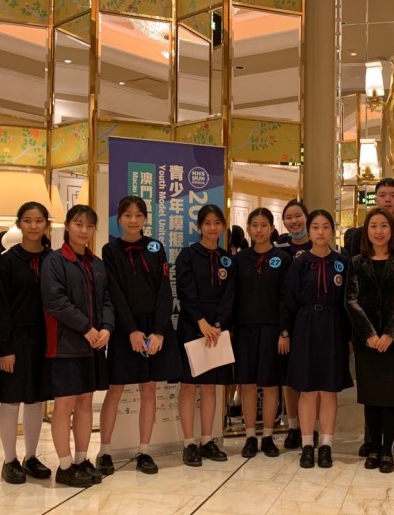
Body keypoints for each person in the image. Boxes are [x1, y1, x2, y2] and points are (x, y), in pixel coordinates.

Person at [100, 196, 179, 475]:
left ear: (145, 218)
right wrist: (131, 330)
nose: (133, 220)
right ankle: (105, 451)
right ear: (119, 218)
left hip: (154, 327)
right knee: (116, 389)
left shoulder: (156, 247)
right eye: (127, 215)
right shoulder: (110, 250)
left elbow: (164, 290)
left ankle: (144, 451)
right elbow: (115, 293)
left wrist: (159, 331)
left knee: (149, 388)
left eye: (138, 215)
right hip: (125, 328)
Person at [348, 178, 394, 460]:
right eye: (382, 195)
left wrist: (391, 333)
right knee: (371, 392)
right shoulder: (357, 250)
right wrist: (369, 333)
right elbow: (351, 298)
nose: (388, 199)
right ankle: (372, 443)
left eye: (393, 195)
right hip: (366, 336)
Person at [41, 204, 114, 488]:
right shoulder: (55, 261)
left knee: (85, 402)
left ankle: (82, 459)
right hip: (65, 345)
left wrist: (106, 328)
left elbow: (107, 299)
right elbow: (55, 301)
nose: (84, 230)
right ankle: (64, 465)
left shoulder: (97, 264)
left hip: (93, 345)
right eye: (79, 224)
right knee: (65, 405)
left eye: (90, 226)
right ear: (68, 226)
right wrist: (86, 328)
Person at [283, 209, 352, 469]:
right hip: (305, 326)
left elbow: (349, 302)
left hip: (334, 327)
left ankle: (326, 445)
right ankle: (306, 445)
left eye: (325, 227)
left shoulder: (342, 262)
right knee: (308, 390)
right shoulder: (300, 263)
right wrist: (285, 332)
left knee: (329, 390)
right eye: (315, 227)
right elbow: (288, 301)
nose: (320, 232)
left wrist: (349, 337)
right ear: (309, 231)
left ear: (332, 230)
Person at [0, 202, 54, 485]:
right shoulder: (7, 261)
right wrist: (5, 347)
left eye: (39, 220)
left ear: (46, 225)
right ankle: (10, 460)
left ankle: (31, 457)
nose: (33, 226)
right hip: (15, 339)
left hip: (44, 338)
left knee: (35, 399)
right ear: (19, 224)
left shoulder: (53, 259)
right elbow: (1, 306)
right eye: (27, 220)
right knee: (10, 398)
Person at [175, 204, 235, 467]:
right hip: (192, 325)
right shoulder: (188, 255)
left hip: (217, 330)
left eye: (217, 223)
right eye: (208, 223)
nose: (213, 227)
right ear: (199, 226)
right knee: (189, 385)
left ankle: (207, 440)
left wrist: (218, 324)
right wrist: (201, 322)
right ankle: (189, 443)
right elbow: (185, 292)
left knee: (211, 386)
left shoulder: (227, 259)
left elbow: (230, 296)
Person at [234, 208, 290, 458]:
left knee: (270, 384)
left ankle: (267, 435)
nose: (259, 230)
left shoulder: (282, 258)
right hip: (244, 329)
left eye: (264, 225)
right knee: (247, 384)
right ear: (248, 228)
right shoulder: (240, 259)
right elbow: (233, 296)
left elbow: (286, 298)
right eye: (254, 225)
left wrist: (284, 332)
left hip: (272, 330)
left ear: (272, 228)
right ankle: (249, 436)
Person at [274, 198, 311, 449]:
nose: (294, 221)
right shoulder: (279, 249)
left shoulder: (317, 245)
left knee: (310, 376)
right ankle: (294, 426)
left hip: (311, 321)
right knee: (288, 377)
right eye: (288, 217)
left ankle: (311, 427)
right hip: (284, 320)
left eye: (298, 216)